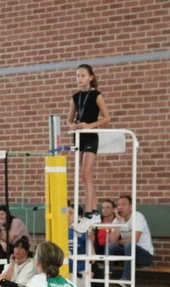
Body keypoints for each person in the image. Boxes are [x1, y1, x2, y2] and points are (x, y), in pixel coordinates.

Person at [67, 63, 111, 229]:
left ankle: (89, 212)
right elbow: (69, 120)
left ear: (90, 77)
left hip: (91, 136)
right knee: (86, 176)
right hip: (79, 137)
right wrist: (73, 125)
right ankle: (94, 212)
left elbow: (107, 118)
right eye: (77, 76)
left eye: (83, 76)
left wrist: (90, 126)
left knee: (85, 174)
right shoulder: (75, 97)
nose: (79, 79)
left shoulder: (96, 95)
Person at [107, 195, 154, 282]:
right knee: (110, 247)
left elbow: (135, 239)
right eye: (119, 205)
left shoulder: (137, 216)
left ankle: (125, 279)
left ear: (131, 207)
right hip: (127, 253)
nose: (120, 207)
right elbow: (112, 240)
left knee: (129, 245)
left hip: (144, 255)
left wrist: (119, 242)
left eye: (124, 204)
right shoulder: (117, 220)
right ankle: (107, 277)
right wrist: (120, 222)